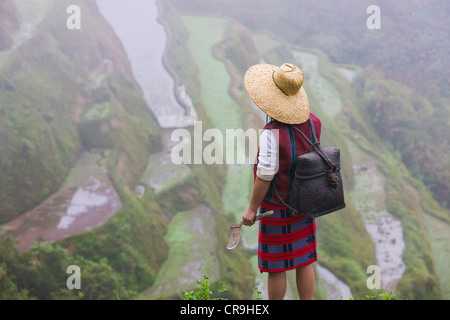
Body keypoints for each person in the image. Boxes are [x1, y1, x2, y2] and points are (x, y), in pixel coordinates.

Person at [242, 62, 321, 300]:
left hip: (275, 208)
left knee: (276, 267)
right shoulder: (313, 122)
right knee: (304, 260)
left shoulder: (270, 133)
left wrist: (251, 209)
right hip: (305, 202)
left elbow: (265, 174)